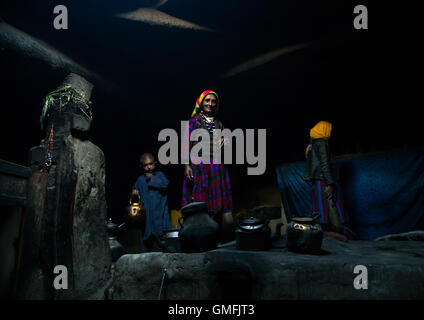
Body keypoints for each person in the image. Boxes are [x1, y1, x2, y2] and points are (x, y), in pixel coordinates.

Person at [182, 90, 232, 225]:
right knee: (201, 197)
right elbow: (186, 143)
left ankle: (215, 231)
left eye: (213, 101)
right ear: (201, 102)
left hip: (216, 165)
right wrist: (187, 165)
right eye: (207, 100)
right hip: (199, 165)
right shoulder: (194, 121)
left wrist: (226, 140)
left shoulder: (219, 124)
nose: (210, 104)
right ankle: (201, 229)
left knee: (217, 200)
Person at [304, 121, 352, 241]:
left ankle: (318, 238)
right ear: (324, 130)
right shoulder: (322, 143)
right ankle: (346, 238)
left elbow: (312, 164)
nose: (330, 132)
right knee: (336, 209)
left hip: (318, 181)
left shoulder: (312, 144)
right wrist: (330, 184)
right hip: (325, 181)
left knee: (319, 211)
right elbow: (324, 164)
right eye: (329, 129)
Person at [132, 153, 172, 252]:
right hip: (147, 216)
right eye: (146, 165)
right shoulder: (140, 179)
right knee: (146, 239)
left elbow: (165, 185)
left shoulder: (160, 175)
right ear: (141, 166)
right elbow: (134, 190)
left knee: (164, 240)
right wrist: (134, 193)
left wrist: (152, 179)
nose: (149, 167)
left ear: (155, 164)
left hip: (160, 213)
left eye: (151, 164)